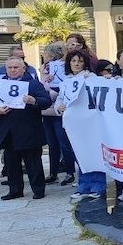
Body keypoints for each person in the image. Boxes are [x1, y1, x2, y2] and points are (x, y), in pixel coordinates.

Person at [0, 56, 52, 201]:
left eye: (16, 67)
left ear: (23, 69)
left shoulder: (33, 84)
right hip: (7, 129)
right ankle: (15, 190)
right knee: (11, 163)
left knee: (33, 162)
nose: (12, 70)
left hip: (28, 129)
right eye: (9, 68)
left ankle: (38, 189)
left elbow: (46, 101)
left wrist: (33, 100)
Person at [59, 51, 107, 203]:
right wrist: (58, 107)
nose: (76, 64)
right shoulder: (66, 80)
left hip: (90, 122)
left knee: (93, 154)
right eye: (73, 61)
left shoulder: (91, 78)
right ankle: (84, 186)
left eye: (79, 61)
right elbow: (62, 99)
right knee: (79, 155)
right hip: (73, 124)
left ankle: (98, 186)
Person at [39, 41, 70, 184]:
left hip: (58, 111)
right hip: (46, 111)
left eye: (46, 54)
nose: (44, 56)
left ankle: (69, 172)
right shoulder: (44, 69)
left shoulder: (63, 68)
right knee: (52, 144)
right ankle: (53, 172)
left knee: (63, 142)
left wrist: (50, 88)